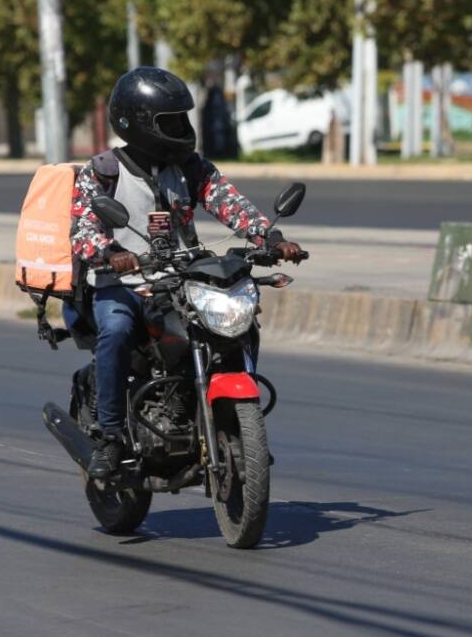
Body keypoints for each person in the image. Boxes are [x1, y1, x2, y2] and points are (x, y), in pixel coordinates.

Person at [70, 67, 305, 478]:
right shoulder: (103, 171)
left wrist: (269, 238)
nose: (181, 128)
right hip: (122, 283)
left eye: (182, 118)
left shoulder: (191, 167)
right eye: (171, 121)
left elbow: (230, 203)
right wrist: (110, 252)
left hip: (180, 279)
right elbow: (84, 230)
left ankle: (230, 420)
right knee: (117, 331)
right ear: (139, 123)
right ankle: (109, 437)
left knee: (235, 323)